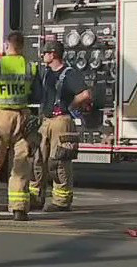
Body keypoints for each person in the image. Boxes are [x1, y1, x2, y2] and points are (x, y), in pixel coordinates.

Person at [0, 31, 42, 222]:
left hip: (0, 117)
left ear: (6, 46)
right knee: (21, 164)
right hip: (24, 118)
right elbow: (37, 96)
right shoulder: (31, 67)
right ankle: (19, 209)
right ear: (22, 47)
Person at [30, 40, 92, 212]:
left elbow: (85, 94)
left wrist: (72, 105)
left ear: (53, 54)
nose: (42, 56)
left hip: (61, 122)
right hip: (45, 121)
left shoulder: (70, 74)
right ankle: (35, 198)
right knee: (38, 160)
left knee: (59, 162)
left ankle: (61, 201)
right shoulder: (46, 74)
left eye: (45, 53)